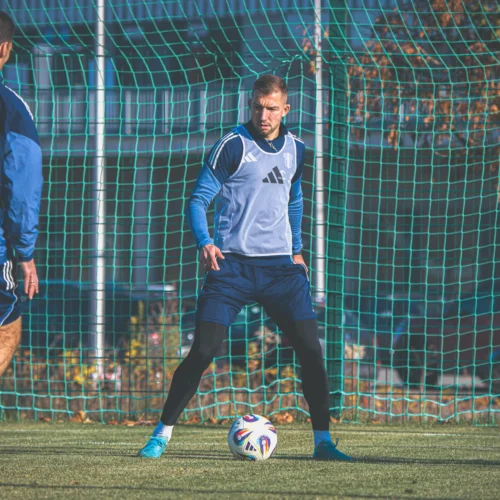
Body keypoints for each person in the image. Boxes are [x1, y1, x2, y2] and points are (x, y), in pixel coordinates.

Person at [138, 74, 352, 461]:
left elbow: (294, 199)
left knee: (310, 350)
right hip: (231, 268)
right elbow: (198, 200)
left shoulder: (297, 149)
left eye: (271, 108)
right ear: (250, 105)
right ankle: (160, 436)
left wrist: (297, 250)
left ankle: (323, 442)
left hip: (281, 271)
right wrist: (205, 242)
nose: (263, 115)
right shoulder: (232, 145)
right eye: (257, 107)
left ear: (286, 109)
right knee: (203, 350)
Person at [0, 11, 43, 377]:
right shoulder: (11, 107)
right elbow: (22, 186)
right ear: (5, 49)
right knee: (8, 324)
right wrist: (25, 254)